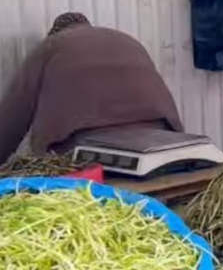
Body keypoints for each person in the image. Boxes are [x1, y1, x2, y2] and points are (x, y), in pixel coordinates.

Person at [0, 13, 184, 163]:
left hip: (82, 143)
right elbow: (160, 93)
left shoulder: (51, 45)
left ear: (55, 32)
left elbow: (15, 111)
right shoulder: (127, 40)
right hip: (157, 136)